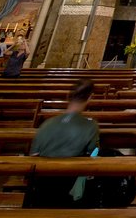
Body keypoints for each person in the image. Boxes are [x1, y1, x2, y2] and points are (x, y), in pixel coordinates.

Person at [29, 79, 100, 207]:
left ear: (67, 96)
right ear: (90, 98)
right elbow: (93, 156)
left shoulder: (47, 124)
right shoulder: (91, 126)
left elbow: (33, 155)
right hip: (71, 191)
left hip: (42, 189)